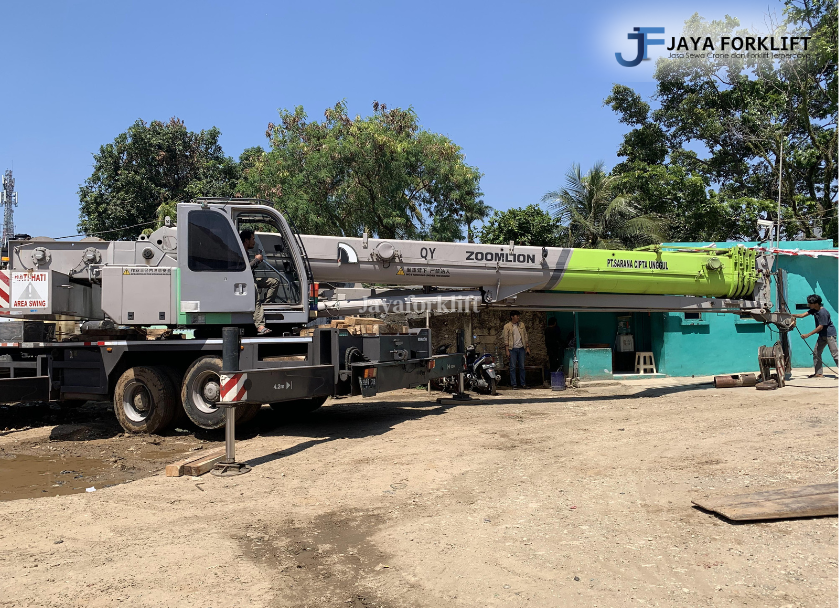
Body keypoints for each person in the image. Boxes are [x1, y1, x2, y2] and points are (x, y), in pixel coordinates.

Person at [240, 229, 279, 336]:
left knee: (274, 282)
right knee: (255, 292)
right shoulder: (239, 252)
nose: (254, 242)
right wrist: (256, 260)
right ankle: (260, 325)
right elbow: (244, 269)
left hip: (252, 278)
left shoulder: (246, 252)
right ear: (246, 240)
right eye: (252, 239)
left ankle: (266, 304)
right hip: (245, 282)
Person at [792, 294, 837, 378]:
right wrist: (791, 315)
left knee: (835, 354)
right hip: (822, 335)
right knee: (816, 353)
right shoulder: (814, 310)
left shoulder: (823, 312)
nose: (808, 305)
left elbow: (820, 327)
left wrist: (808, 335)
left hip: (829, 335)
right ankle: (818, 373)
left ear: (816, 303)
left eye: (810, 303)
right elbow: (802, 315)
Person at [503, 311, 530, 389]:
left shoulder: (521, 325)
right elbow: (506, 339)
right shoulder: (507, 326)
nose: (518, 317)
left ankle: (523, 383)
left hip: (521, 348)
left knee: (522, 366)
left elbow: (525, 336)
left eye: (518, 316)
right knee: (512, 367)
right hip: (512, 348)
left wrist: (527, 347)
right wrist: (507, 350)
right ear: (512, 317)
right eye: (516, 316)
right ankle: (514, 384)